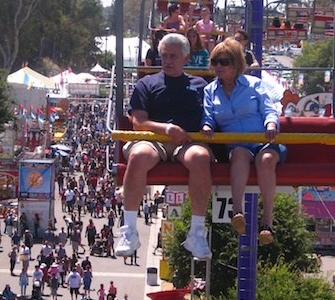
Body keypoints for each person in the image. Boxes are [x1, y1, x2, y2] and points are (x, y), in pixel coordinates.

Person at [115, 32, 213, 260]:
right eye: (164, 56)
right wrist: (168, 130)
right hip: (152, 140)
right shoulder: (146, 84)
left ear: (186, 58)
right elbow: (138, 122)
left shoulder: (200, 86)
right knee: (138, 156)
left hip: (187, 142)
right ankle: (129, 230)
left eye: (173, 56)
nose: (168, 61)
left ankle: (197, 231)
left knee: (200, 158)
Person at [201, 37, 284, 245]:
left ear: (236, 64)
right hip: (237, 145)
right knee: (238, 155)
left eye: (224, 61)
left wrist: (271, 125)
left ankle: (267, 221)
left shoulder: (255, 85)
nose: (218, 66)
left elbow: (269, 110)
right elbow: (208, 115)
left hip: (262, 141)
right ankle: (237, 212)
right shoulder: (210, 91)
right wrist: (207, 126)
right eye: (215, 61)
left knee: (265, 159)